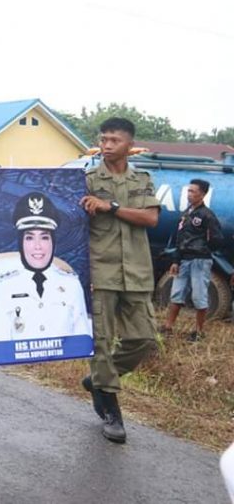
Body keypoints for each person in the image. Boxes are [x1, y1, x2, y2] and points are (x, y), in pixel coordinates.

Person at [79, 117, 160, 445]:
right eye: (103, 139)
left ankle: (98, 380)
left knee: (143, 339)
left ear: (129, 145)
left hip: (137, 271)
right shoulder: (86, 181)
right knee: (100, 341)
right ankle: (112, 411)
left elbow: (150, 218)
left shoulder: (142, 179)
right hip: (101, 271)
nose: (107, 145)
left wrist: (110, 207)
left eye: (114, 140)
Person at [0, 193, 91, 340]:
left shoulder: (71, 284)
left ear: (53, 242)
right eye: (29, 238)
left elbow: (82, 340)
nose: (37, 246)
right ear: (21, 243)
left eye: (44, 237)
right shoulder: (6, 286)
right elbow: (0, 343)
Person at [159, 178, 223, 341]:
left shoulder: (207, 215)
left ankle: (198, 331)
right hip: (184, 260)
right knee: (177, 293)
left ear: (202, 194)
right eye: (188, 191)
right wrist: (176, 260)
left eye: (193, 191)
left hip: (200, 261)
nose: (189, 194)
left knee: (199, 296)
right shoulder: (186, 214)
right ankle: (168, 327)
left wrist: (203, 249)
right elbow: (180, 239)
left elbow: (217, 239)